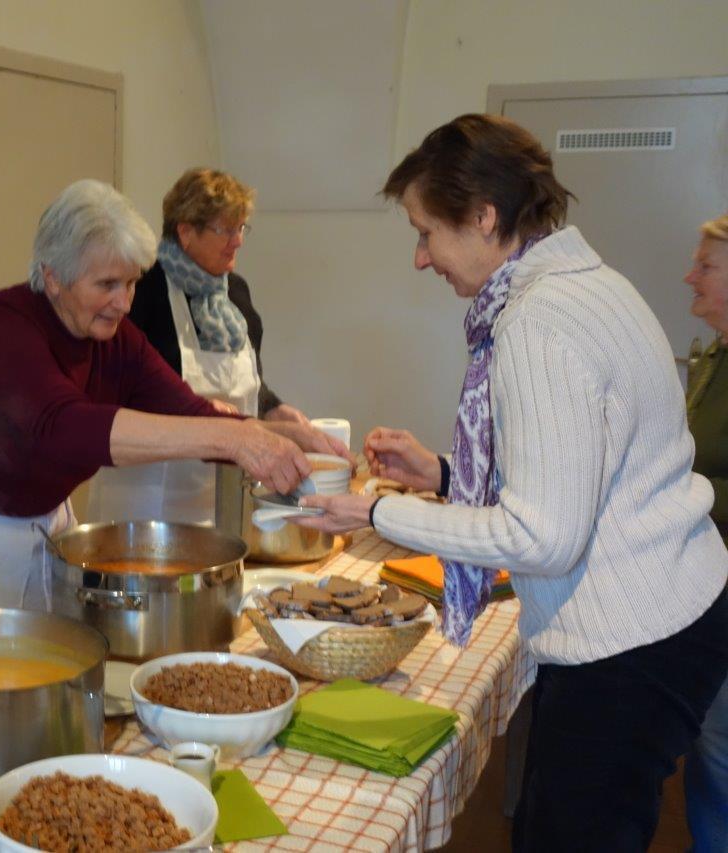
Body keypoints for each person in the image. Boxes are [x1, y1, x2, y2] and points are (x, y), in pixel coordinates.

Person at [292, 115, 728, 851]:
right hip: (676, 611)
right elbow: (579, 471)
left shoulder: (537, 322)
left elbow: (542, 537)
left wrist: (378, 512)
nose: (420, 258)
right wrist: (443, 473)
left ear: (484, 217)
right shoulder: (589, 283)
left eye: (426, 232)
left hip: (630, 644)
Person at [0, 179, 345, 620]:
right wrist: (235, 439)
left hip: (37, 524)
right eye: (106, 285)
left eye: (131, 283)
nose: (124, 303)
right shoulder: (1, 330)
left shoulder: (114, 340)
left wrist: (286, 435)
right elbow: (67, 427)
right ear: (53, 277)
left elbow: (189, 410)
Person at [86, 168, 314, 525]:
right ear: (186, 232)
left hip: (223, 494)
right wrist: (198, 410)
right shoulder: (139, 291)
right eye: (226, 230)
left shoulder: (235, 293)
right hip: (148, 498)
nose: (237, 241)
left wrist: (272, 409)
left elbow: (248, 379)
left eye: (241, 228)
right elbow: (111, 389)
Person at [682, 211, 728, 852]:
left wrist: (682, 492)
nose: (689, 276)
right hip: (710, 585)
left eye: (707, 266)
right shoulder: (716, 353)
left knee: (719, 750)